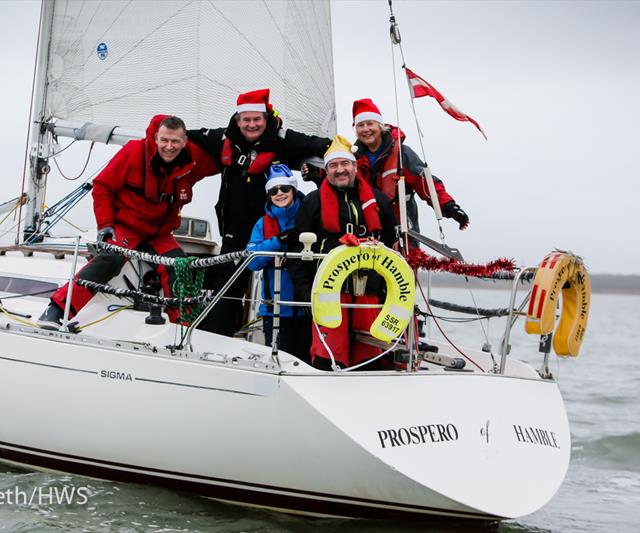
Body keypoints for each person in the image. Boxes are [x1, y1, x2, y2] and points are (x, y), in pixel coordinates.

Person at [37, 115, 219, 329]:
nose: (169, 147)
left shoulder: (193, 159)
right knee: (110, 260)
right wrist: (105, 224)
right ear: (156, 138)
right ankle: (56, 309)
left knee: (179, 265)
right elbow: (102, 186)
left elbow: (225, 160)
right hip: (128, 227)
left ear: (184, 141)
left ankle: (183, 328)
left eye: (175, 142)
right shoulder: (134, 152)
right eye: (164, 140)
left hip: (159, 234)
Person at [188, 88, 330, 337]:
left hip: (275, 227)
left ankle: (297, 341)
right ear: (237, 120)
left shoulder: (283, 140)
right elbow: (186, 135)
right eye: (246, 119)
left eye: (257, 119)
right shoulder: (224, 138)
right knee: (229, 285)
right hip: (236, 228)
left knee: (289, 281)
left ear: (266, 119)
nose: (251, 125)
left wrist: (340, 157)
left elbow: (319, 144)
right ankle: (217, 338)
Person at [289, 136, 400, 370]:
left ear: (354, 166)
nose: (340, 170)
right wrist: (305, 294)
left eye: (345, 164)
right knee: (329, 355)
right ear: (326, 170)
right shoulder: (312, 202)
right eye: (333, 165)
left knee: (370, 354)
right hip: (328, 294)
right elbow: (297, 251)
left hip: (368, 292)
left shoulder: (378, 201)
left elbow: (391, 245)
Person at [303, 98, 469, 238]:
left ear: (380, 126)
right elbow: (342, 181)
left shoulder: (403, 155)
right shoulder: (353, 157)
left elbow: (425, 183)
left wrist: (449, 207)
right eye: (360, 125)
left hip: (402, 223)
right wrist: (317, 174)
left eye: (370, 124)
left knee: (402, 272)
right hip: (367, 224)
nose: (366, 129)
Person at [245, 164, 310, 361]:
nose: (279, 193)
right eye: (274, 190)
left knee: (305, 363)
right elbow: (252, 261)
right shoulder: (261, 224)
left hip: (306, 309)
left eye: (284, 189)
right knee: (278, 362)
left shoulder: (308, 215)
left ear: (294, 190)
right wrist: (278, 241)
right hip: (274, 310)